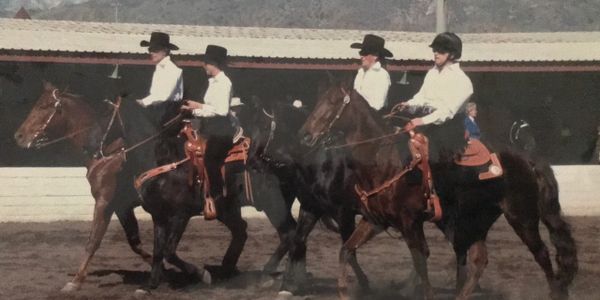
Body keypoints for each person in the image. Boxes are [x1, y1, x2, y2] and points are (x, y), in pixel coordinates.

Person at [181, 45, 234, 220]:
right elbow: (209, 109)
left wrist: (198, 106)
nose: (204, 67)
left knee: (211, 160)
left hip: (221, 131)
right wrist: (192, 110)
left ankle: (219, 200)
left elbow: (221, 110)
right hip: (210, 128)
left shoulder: (224, 83)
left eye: (206, 64)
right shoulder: (213, 82)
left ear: (213, 64)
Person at [399, 32, 473, 132]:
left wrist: (422, 121)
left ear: (452, 54)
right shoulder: (432, 73)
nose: (436, 53)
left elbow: (447, 112)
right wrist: (408, 104)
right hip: (424, 120)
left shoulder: (462, 80)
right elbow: (422, 96)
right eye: (435, 49)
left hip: (447, 129)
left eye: (441, 50)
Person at [136, 32, 183, 124]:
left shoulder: (173, 69)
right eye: (150, 49)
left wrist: (143, 101)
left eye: (155, 49)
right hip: (158, 111)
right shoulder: (159, 68)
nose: (151, 52)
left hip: (169, 113)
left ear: (165, 51)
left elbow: (164, 95)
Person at [351, 34, 393, 111]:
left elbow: (378, 105)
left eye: (365, 53)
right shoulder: (360, 72)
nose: (361, 56)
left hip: (374, 118)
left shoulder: (382, 75)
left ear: (375, 56)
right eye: (361, 53)